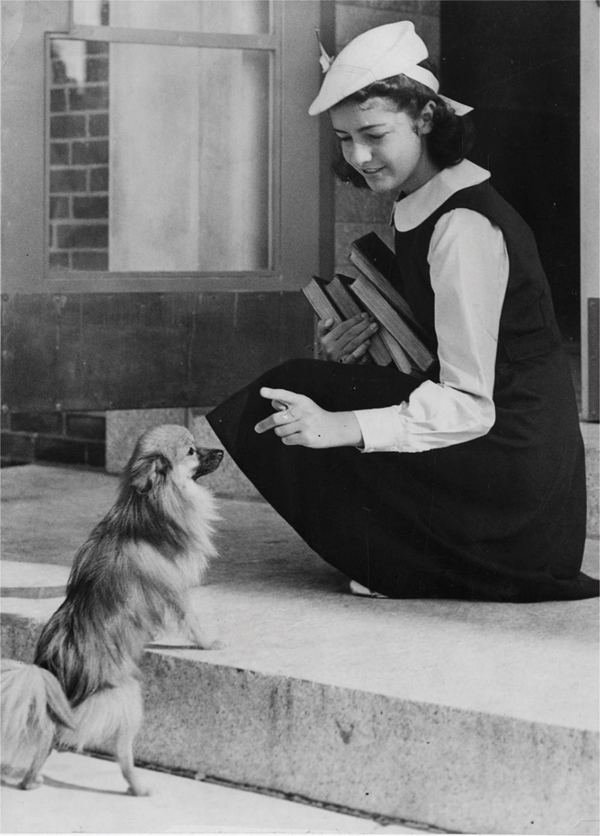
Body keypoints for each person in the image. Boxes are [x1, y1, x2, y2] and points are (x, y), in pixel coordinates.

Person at [207, 21, 598, 602]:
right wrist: (363, 349)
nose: (359, 156)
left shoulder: (463, 226)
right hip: (507, 461)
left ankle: (412, 563)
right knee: (297, 389)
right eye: (343, 138)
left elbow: (469, 402)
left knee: (298, 398)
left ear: (425, 119)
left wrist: (342, 426)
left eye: (374, 134)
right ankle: (406, 555)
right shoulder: (422, 201)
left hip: (518, 482)